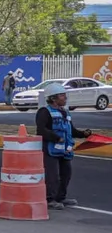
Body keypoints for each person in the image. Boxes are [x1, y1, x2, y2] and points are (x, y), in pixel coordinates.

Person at [35, 82, 92, 210]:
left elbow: (71, 130)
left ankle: (61, 197)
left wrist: (84, 134)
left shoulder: (65, 113)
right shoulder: (44, 112)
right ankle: (50, 199)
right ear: (53, 98)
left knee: (66, 173)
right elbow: (41, 130)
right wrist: (56, 137)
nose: (65, 98)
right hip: (50, 149)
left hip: (65, 149)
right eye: (62, 95)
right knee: (52, 175)